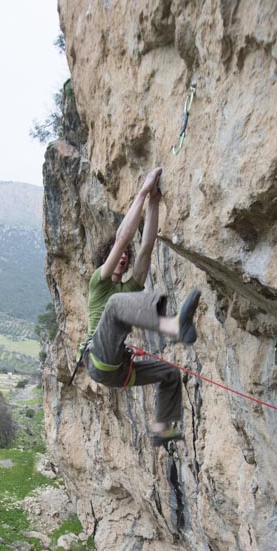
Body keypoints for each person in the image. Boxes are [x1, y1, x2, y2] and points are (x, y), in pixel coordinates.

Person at [83, 166, 201, 446]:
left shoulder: (130, 289)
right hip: (98, 358)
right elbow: (124, 237)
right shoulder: (99, 282)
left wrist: (155, 204)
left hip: (118, 369)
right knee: (114, 305)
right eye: (118, 255)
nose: (123, 257)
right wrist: (142, 192)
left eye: (126, 255)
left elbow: (146, 246)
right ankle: (172, 326)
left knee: (170, 374)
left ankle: (162, 429)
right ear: (108, 257)